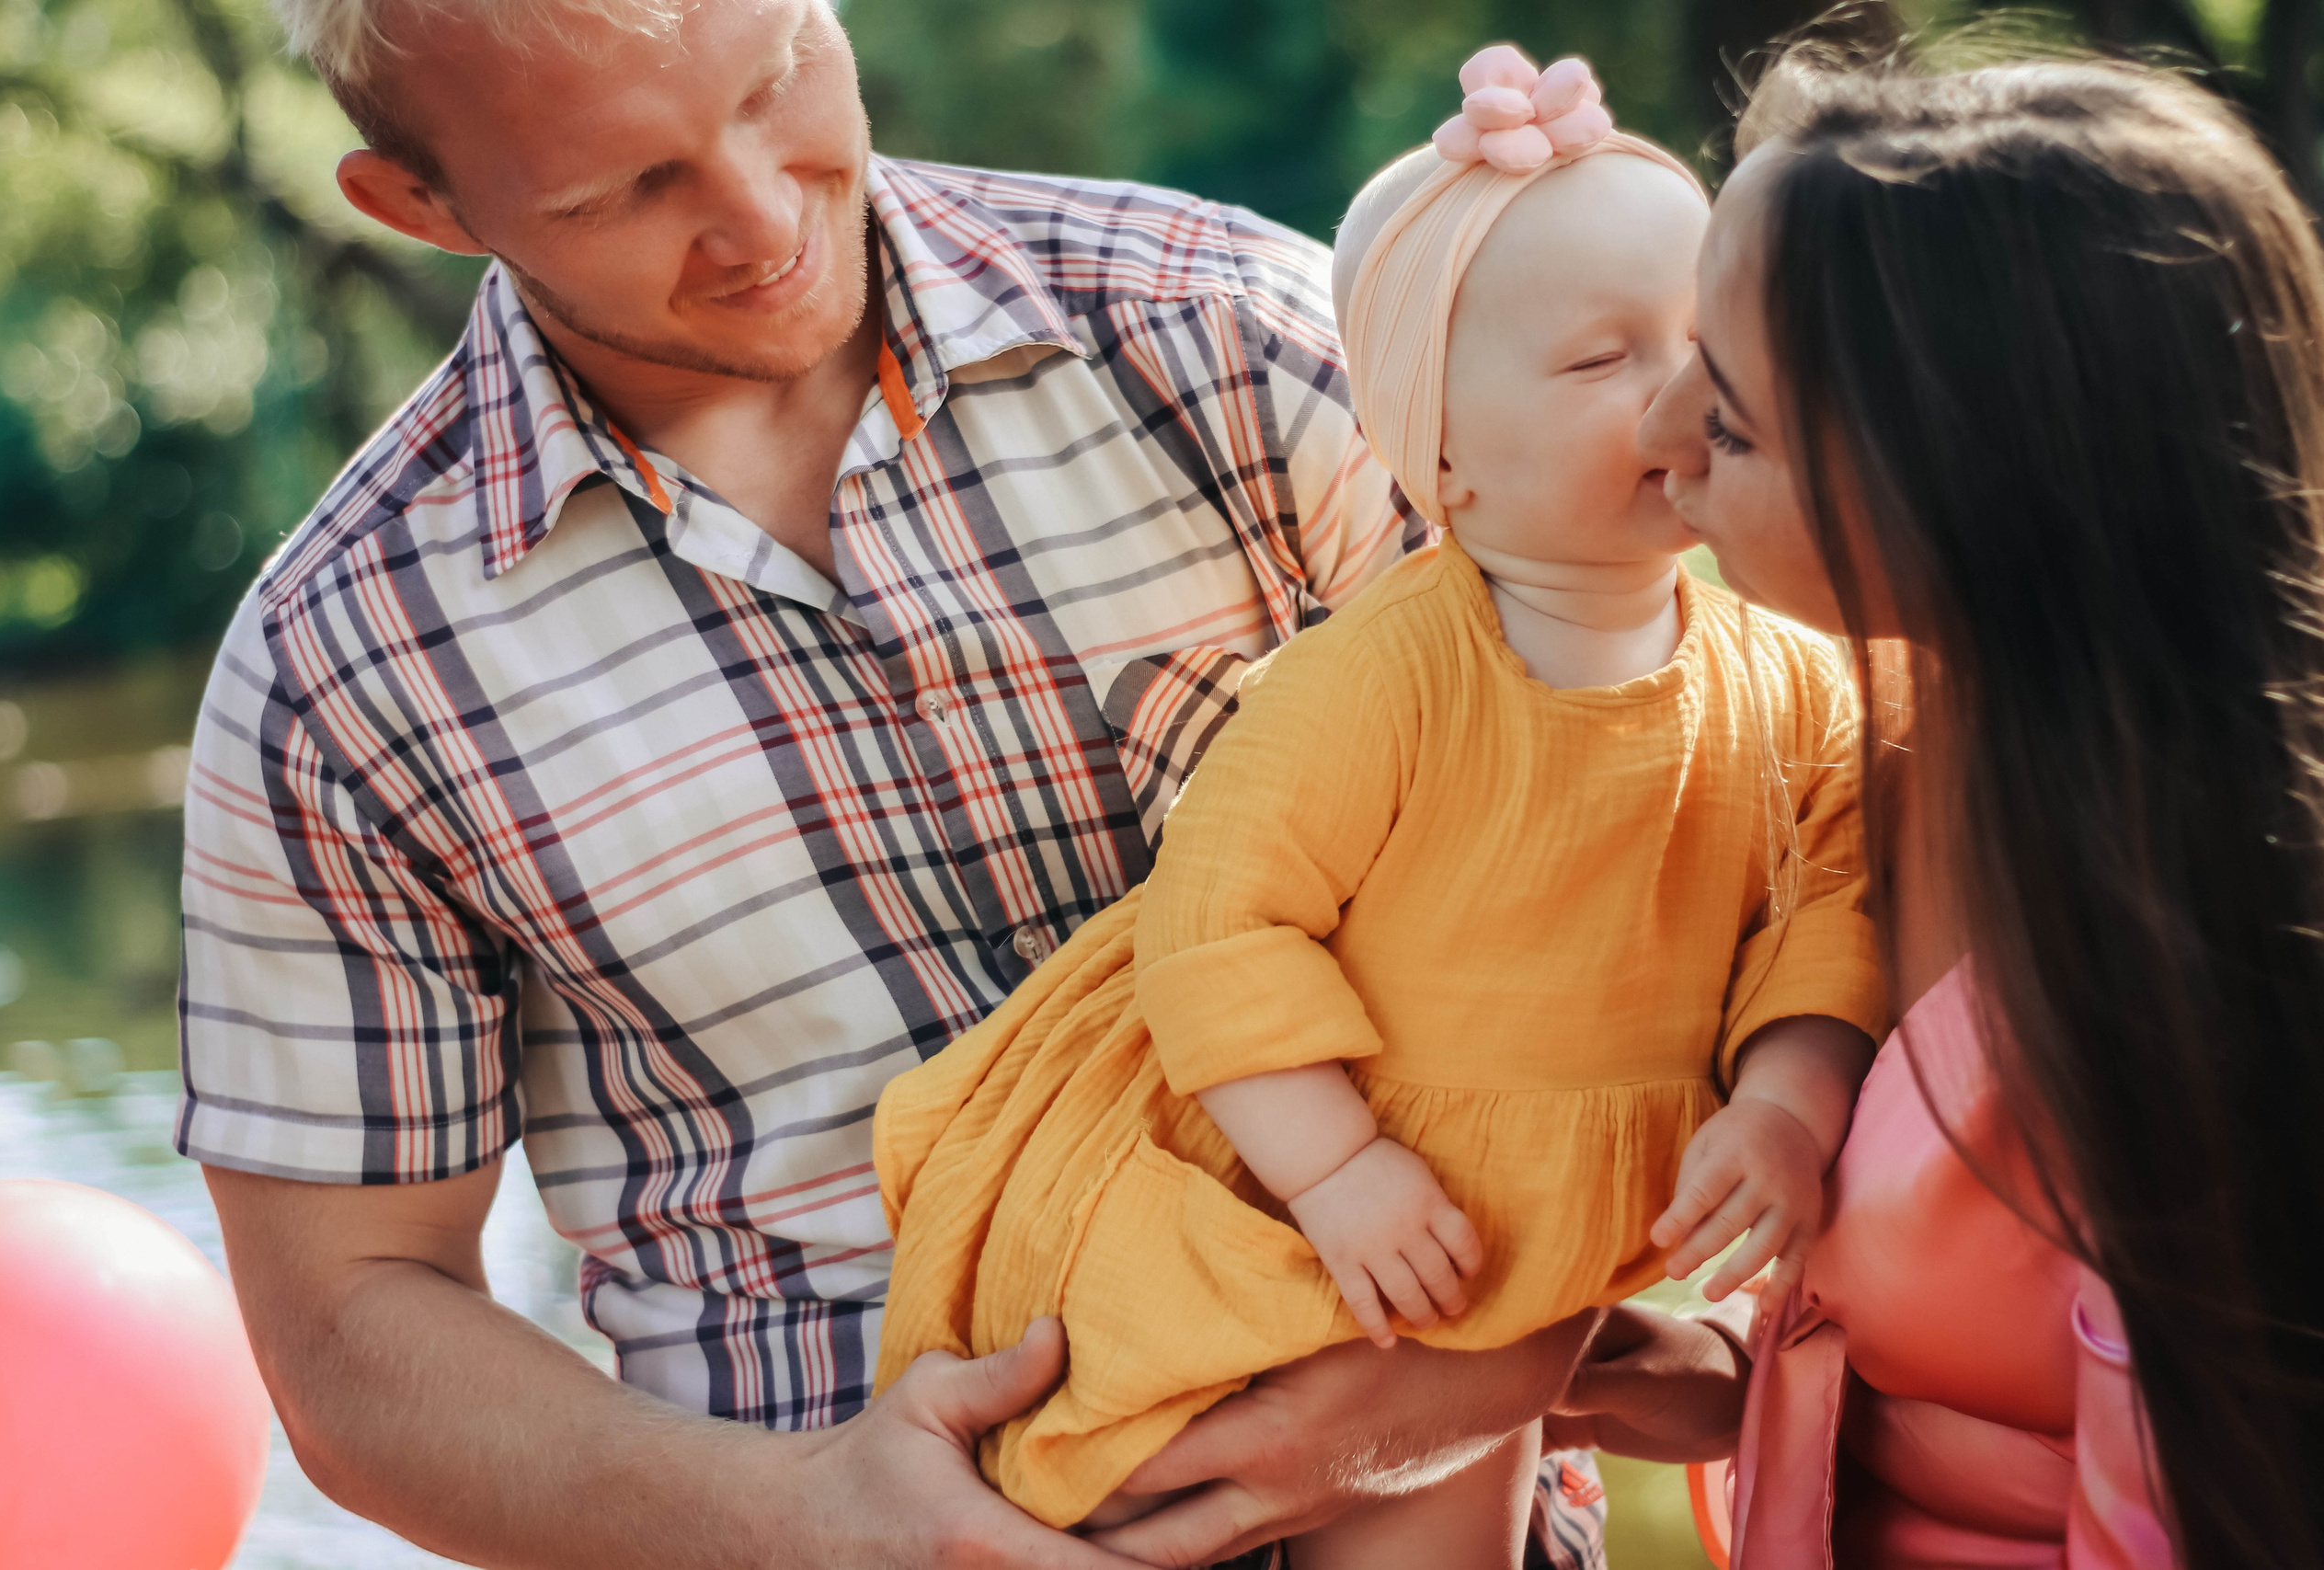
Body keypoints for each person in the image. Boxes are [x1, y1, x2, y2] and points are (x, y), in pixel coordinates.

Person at [174, 0, 1622, 1564]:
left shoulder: (1241, 337)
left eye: (779, 81)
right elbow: (348, 1333)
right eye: (622, 192)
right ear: (423, 208)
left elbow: (1657, 830)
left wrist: (1489, 1367)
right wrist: (802, 1523)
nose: (762, 217)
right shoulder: (342, 669)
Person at [871, 53, 1884, 1570]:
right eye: (1606, 362)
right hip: (1318, 1190)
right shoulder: (1386, 678)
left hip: (1530, 1231)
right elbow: (1224, 923)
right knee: (1154, 1482)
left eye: (1703, 349)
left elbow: (1826, 907)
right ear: (1441, 454)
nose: (1679, 401)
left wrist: (1788, 1102)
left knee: (1451, 1521)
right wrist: (1336, 1167)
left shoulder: (1785, 678)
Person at [1549, 33, 2324, 1570]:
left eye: (1739, 420)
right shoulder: (1863, 737)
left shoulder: (2221, 962)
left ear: (1980, 476)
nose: (1657, 438)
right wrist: (1739, 1382)